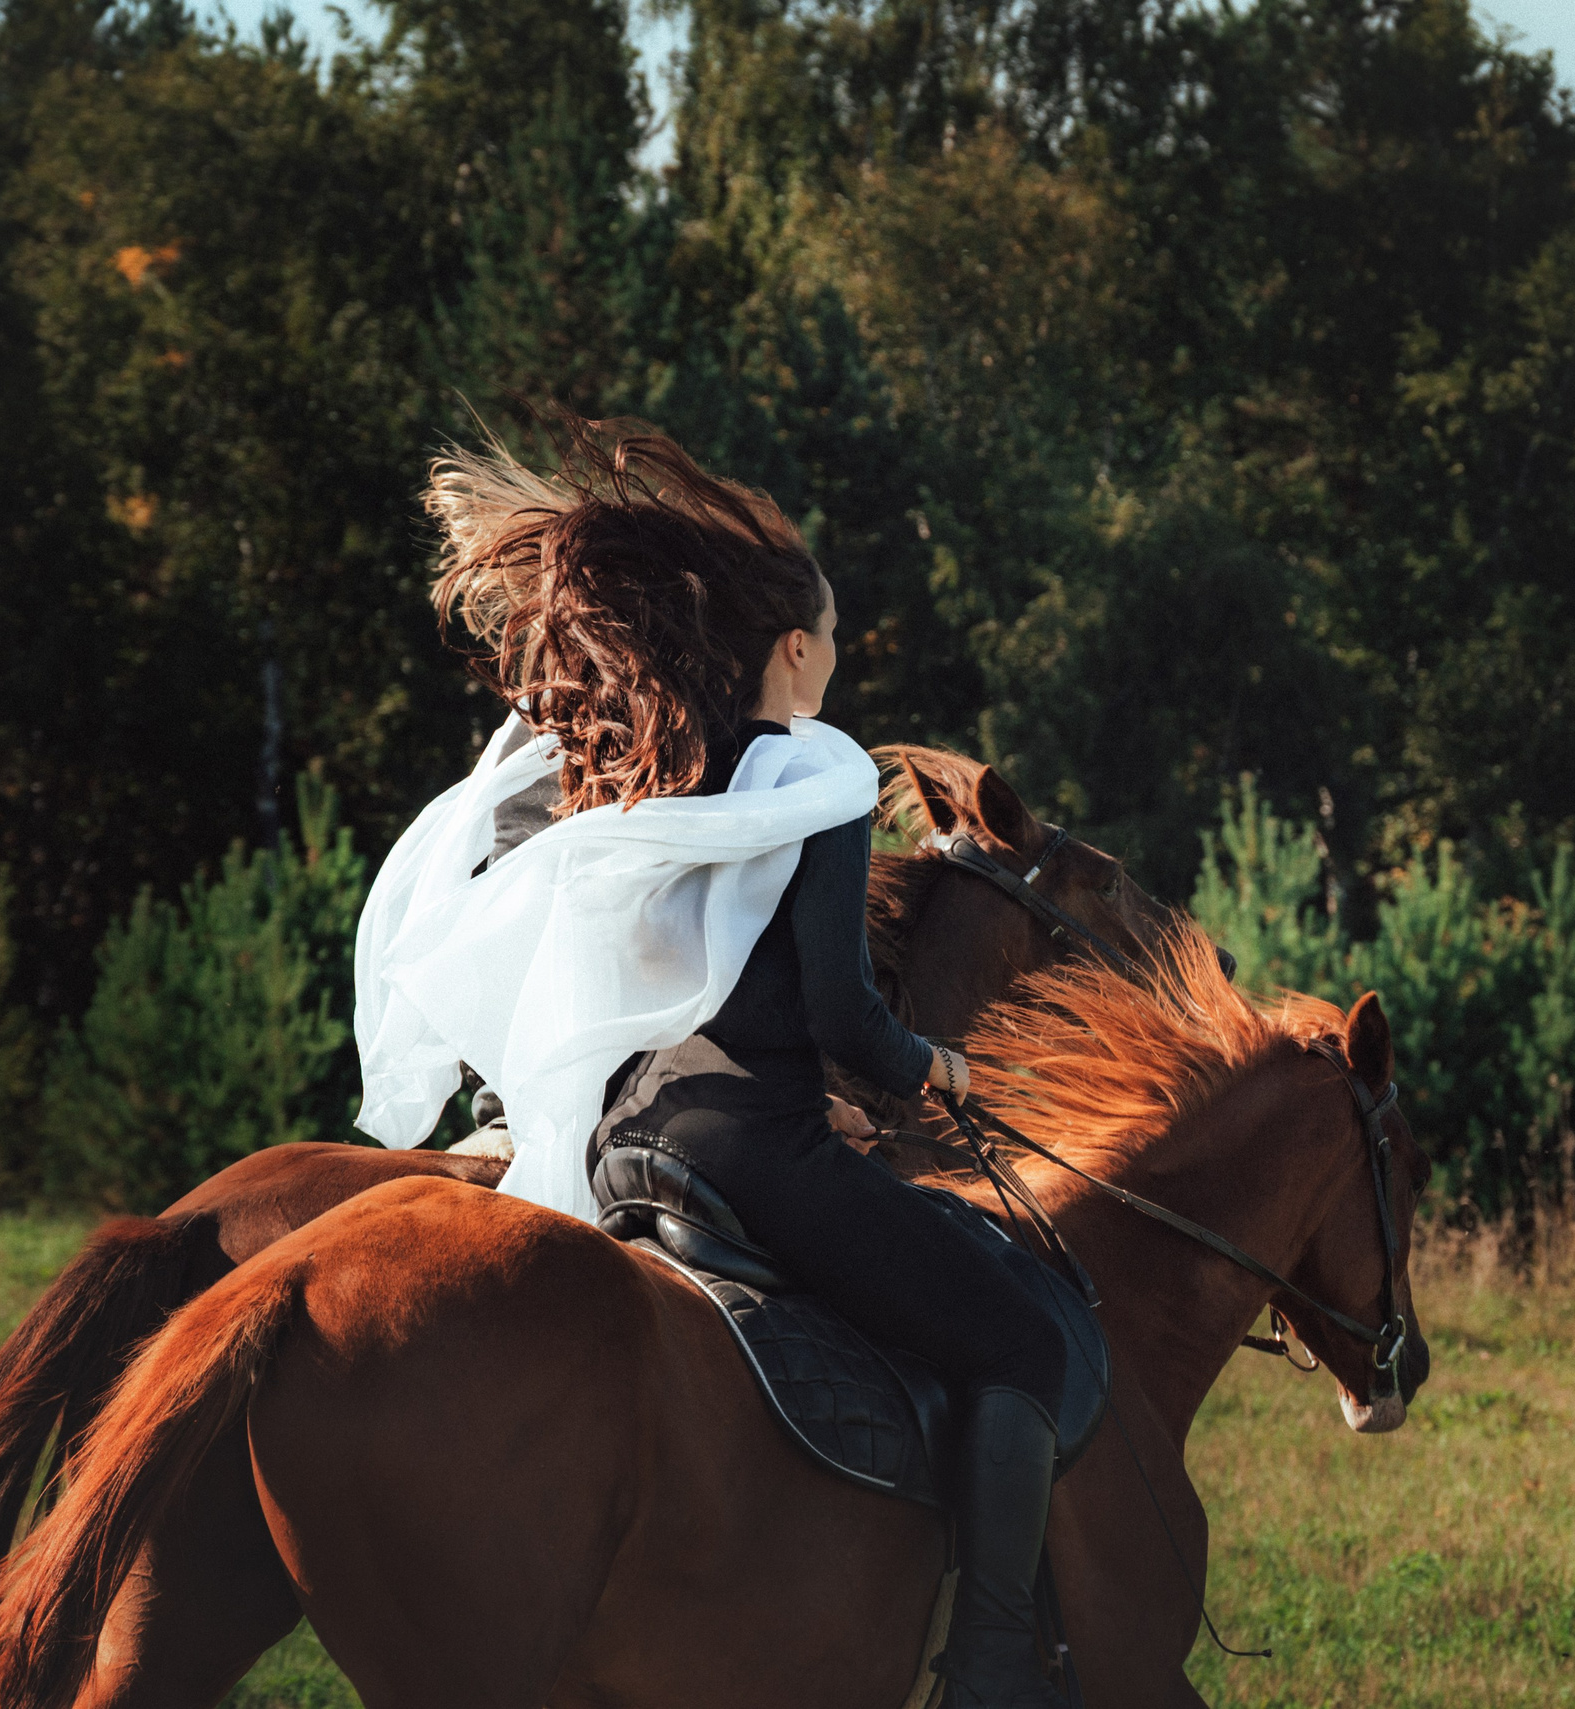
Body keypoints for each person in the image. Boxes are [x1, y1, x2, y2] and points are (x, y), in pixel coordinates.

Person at [353, 423, 1073, 1709]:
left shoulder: (647, 766)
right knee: (1020, 1339)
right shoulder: (823, 775)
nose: (839, 662)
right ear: (793, 648)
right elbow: (847, 1019)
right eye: (837, 638)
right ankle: (996, 1664)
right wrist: (938, 1071)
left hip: (622, 1139)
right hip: (755, 1151)